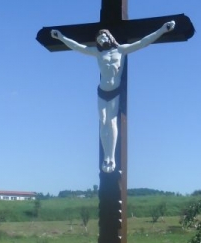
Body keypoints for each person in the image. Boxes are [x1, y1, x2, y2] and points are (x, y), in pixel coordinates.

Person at [51, 20, 175, 172]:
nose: (101, 39)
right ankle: (106, 157)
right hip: (102, 91)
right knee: (103, 122)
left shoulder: (121, 50)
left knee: (111, 122)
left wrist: (163, 29)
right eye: (98, 38)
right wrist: (61, 37)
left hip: (114, 91)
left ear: (110, 37)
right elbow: (77, 46)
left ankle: (112, 158)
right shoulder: (98, 53)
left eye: (103, 36)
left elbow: (143, 42)